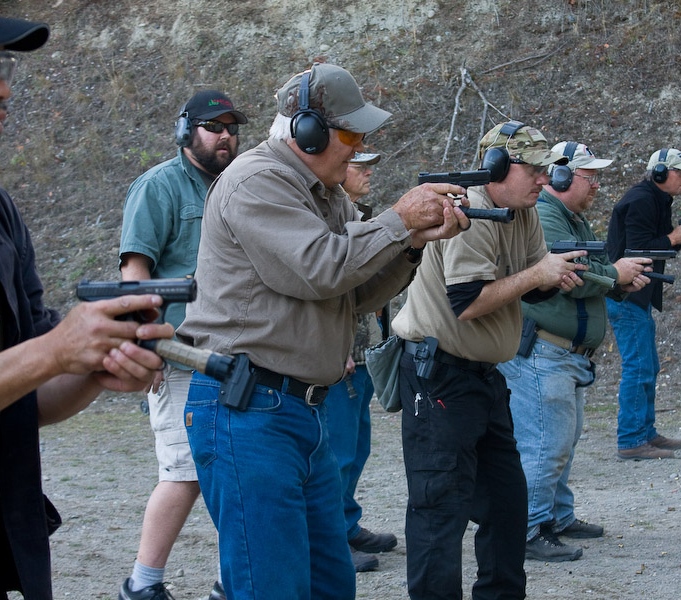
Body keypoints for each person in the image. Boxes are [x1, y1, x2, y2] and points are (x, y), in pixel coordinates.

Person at [0, 3, 173, 599]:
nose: (1, 88)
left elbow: (21, 396)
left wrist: (97, 363)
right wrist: (53, 352)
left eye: (4, 66)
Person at [176, 62, 470, 600]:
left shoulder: (327, 193)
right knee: (272, 588)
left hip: (298, 410)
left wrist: (411, 244)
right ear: (307, 131)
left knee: (331, 584)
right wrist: (399, 220)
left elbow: (354, 294)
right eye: (351, 135)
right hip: (248, 408)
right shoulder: (256, 181)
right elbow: (322, 267)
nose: (360, 148)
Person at [391, 120, 591, 600]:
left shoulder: (522, 211)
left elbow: (531, 281)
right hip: (439, 378)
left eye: (547, 169)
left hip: (483, 377)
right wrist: (538, 275)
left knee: (507, 505)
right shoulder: (470, 212)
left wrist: (553, 277)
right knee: (440, 510)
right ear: (497, 167)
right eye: (535, 169)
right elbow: (469, 302)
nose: (545, 179)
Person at [118, 90, 246, 600]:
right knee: (183, 472)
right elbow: (135, 273)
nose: (225, 135)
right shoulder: (158, 187)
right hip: (178, 355)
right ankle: (142, 585)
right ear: (185, 131)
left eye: (232, 127)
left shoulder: (239, 185)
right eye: (214, 126)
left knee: (235, 468)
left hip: (232, 352)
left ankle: (229, 581)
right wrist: (145, 343)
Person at [497, 141, 650, 563]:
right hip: (544, 351)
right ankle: (528, 529)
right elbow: (571, 273)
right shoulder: (544, 215)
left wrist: (617, 279)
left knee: (563, 440)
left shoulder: (572, 218)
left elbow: (592, 269)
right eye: (589, 176)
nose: (596, 185)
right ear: (561, 176)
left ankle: (557, 517)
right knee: (545, 444)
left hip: (566, 355)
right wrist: (614, 274)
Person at [325, 151, 397, 574]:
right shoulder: (327, 220)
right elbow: (328, 286)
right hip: (341, 358)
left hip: (363, 353)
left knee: (356, 448)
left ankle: (346, 524)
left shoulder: (360, 215)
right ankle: (332, 539)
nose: (369, 171)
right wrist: (339, 348)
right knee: (336, 454)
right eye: (359, 164)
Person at [605, 147, 681, 460]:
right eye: (680, 172)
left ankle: (645, 432)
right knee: (639, 367)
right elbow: (637, 250)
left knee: (648, 365)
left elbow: (656, 246)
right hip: (626, 294)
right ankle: (632, 439)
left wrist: (678, 240)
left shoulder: (656, 199)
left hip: (637, 294)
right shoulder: (641, 201)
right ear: (660, 173)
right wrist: (673, 238)